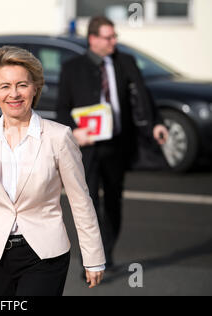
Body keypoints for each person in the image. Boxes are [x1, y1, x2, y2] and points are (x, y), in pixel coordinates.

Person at [0, 46, 106, 296]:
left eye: (22, 85)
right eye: (5, 86)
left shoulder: (59, 137)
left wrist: (93, 257)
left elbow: (81, 201)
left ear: (35, 88)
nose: (14, 94)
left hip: (46, 256)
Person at [56, 16, 169, 269]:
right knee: (88, 204)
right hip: (87, 148)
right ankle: (91, 260)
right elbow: (61, 108)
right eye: (109, 37)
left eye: (114, 36)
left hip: (117, 144)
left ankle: (107, 251)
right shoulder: (72, 68)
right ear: (93, 39)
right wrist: (74, 132)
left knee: (114, 202)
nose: (114, 41)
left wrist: (157, 123)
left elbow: (143, 95)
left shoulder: (125, 62)